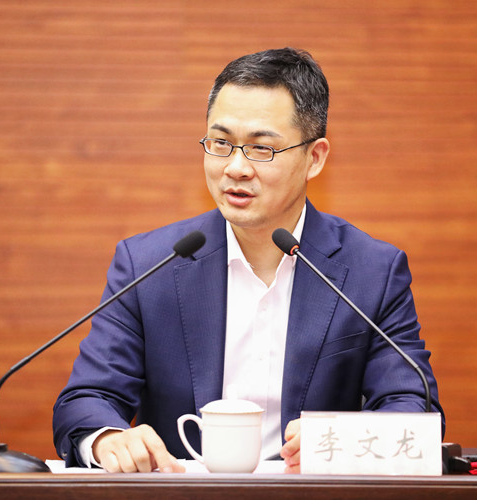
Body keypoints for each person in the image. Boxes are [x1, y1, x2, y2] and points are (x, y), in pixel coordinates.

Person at [53, 47, 444, 474]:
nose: (235, 168)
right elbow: (87, 399)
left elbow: (413, 407)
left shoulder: (372, 271)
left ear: (314, 158)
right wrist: (109, 439)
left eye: (261, 148)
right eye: (221, 143)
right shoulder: (148, 265)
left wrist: (341, 440)